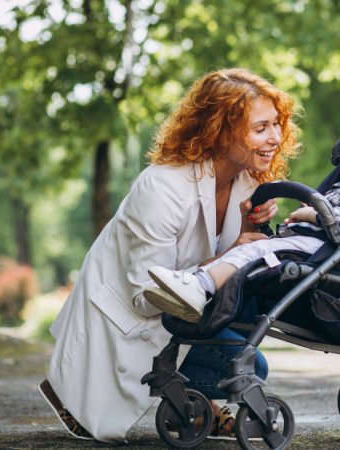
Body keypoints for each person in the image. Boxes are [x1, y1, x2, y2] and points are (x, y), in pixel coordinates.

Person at [38, 68, 301, 443]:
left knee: (249, 353)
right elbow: (147, 297)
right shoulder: (161, 187)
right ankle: (80, 391)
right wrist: (239, 250)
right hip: (128, 321)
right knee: (246, 366)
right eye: (261, 128)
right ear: (220, 130)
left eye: (277, 124)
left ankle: (194, 407)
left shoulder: (248, 180)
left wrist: (244, 232)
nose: (275, 137)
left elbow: (220, 265)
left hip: (181, 312)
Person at [144, 119, 340, 323]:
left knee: (255, 250)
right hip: (305, 242)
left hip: (325, 250)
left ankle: (200, 286)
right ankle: (194, 285)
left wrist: (312, 213)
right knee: (251, 249)